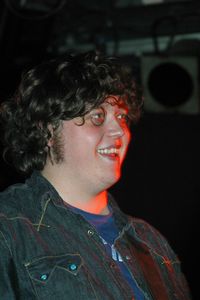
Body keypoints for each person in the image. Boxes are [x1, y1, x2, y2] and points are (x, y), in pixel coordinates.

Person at [0, 50, 191, 300]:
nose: (120, 131)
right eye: (97, 117)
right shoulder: (9, 227)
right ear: (47, 130)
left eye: (121, 117)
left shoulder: (151, 241)